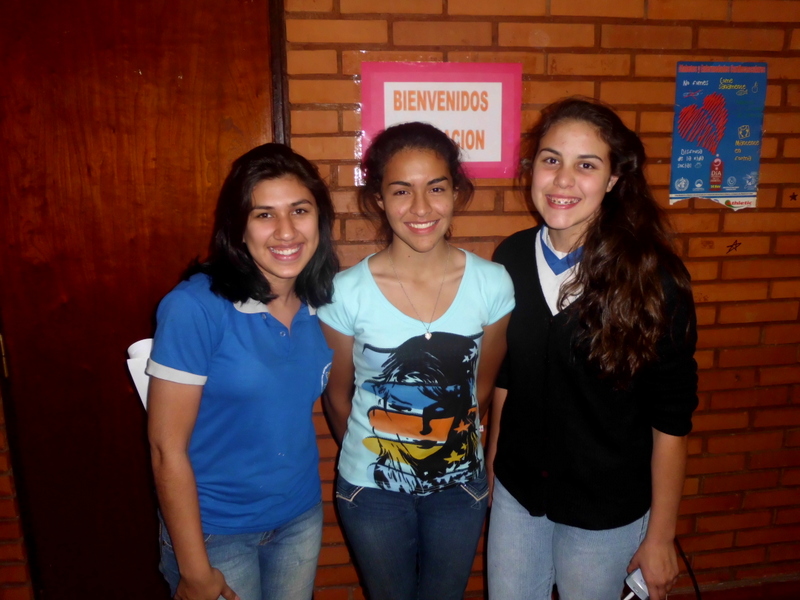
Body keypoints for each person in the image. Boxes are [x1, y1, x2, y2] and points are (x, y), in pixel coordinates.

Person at [487, 97, 698, 600]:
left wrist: (661, 536)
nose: (562, 180)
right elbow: (506, 378)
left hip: (606, 508)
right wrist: (493, 468)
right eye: (551, 159)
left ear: (613, 178)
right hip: (519, 494)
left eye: (586, 165)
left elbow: (671, 420)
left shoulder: (654, 278)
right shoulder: (510, 257)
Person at [318, 122, 514, 600]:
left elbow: (481, 388)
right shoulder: (345, 292)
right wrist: (378, 452)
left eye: (436, 188)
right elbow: (338, 397)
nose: (421, 208)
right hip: (371, 490)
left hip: (459, 487)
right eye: (402, 190)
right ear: (379, 199)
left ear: (456, 193)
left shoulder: (492, 284)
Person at [146, 143, 339, 600]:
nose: (286, 231)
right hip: (215, 532)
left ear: (320, 219)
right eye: (264, 214)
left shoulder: (321, 303)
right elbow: (165, 448)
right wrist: (195, 570)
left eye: (299, 210)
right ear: (238, 228)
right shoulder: (194, 308)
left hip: (299, 517)